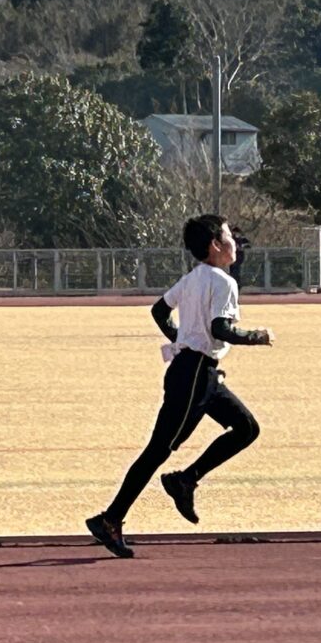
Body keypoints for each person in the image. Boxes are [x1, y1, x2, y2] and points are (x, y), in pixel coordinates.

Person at [85, 215, 274, 558]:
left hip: (198, 373)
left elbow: (159, 311)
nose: (235, 243)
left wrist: (182, 339)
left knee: (246, 428)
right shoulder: (224, 283)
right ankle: (110, 519)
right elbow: (220, 328)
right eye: (230, 237)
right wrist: (255, 337)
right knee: (158, 450)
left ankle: (185, 480)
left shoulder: (192, 279)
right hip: (193, 376)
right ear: (216, 245)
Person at [229, 225, 251, 290]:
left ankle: (237, 284)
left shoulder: (242, 239)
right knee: (233, 271)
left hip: (239, 258)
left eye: (237, 233)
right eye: (234, 232)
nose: (235, 234)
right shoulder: (231, 239)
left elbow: (248, 245)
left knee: (236, 271)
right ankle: (234, 284)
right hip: (231, 257)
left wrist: (242, 246)